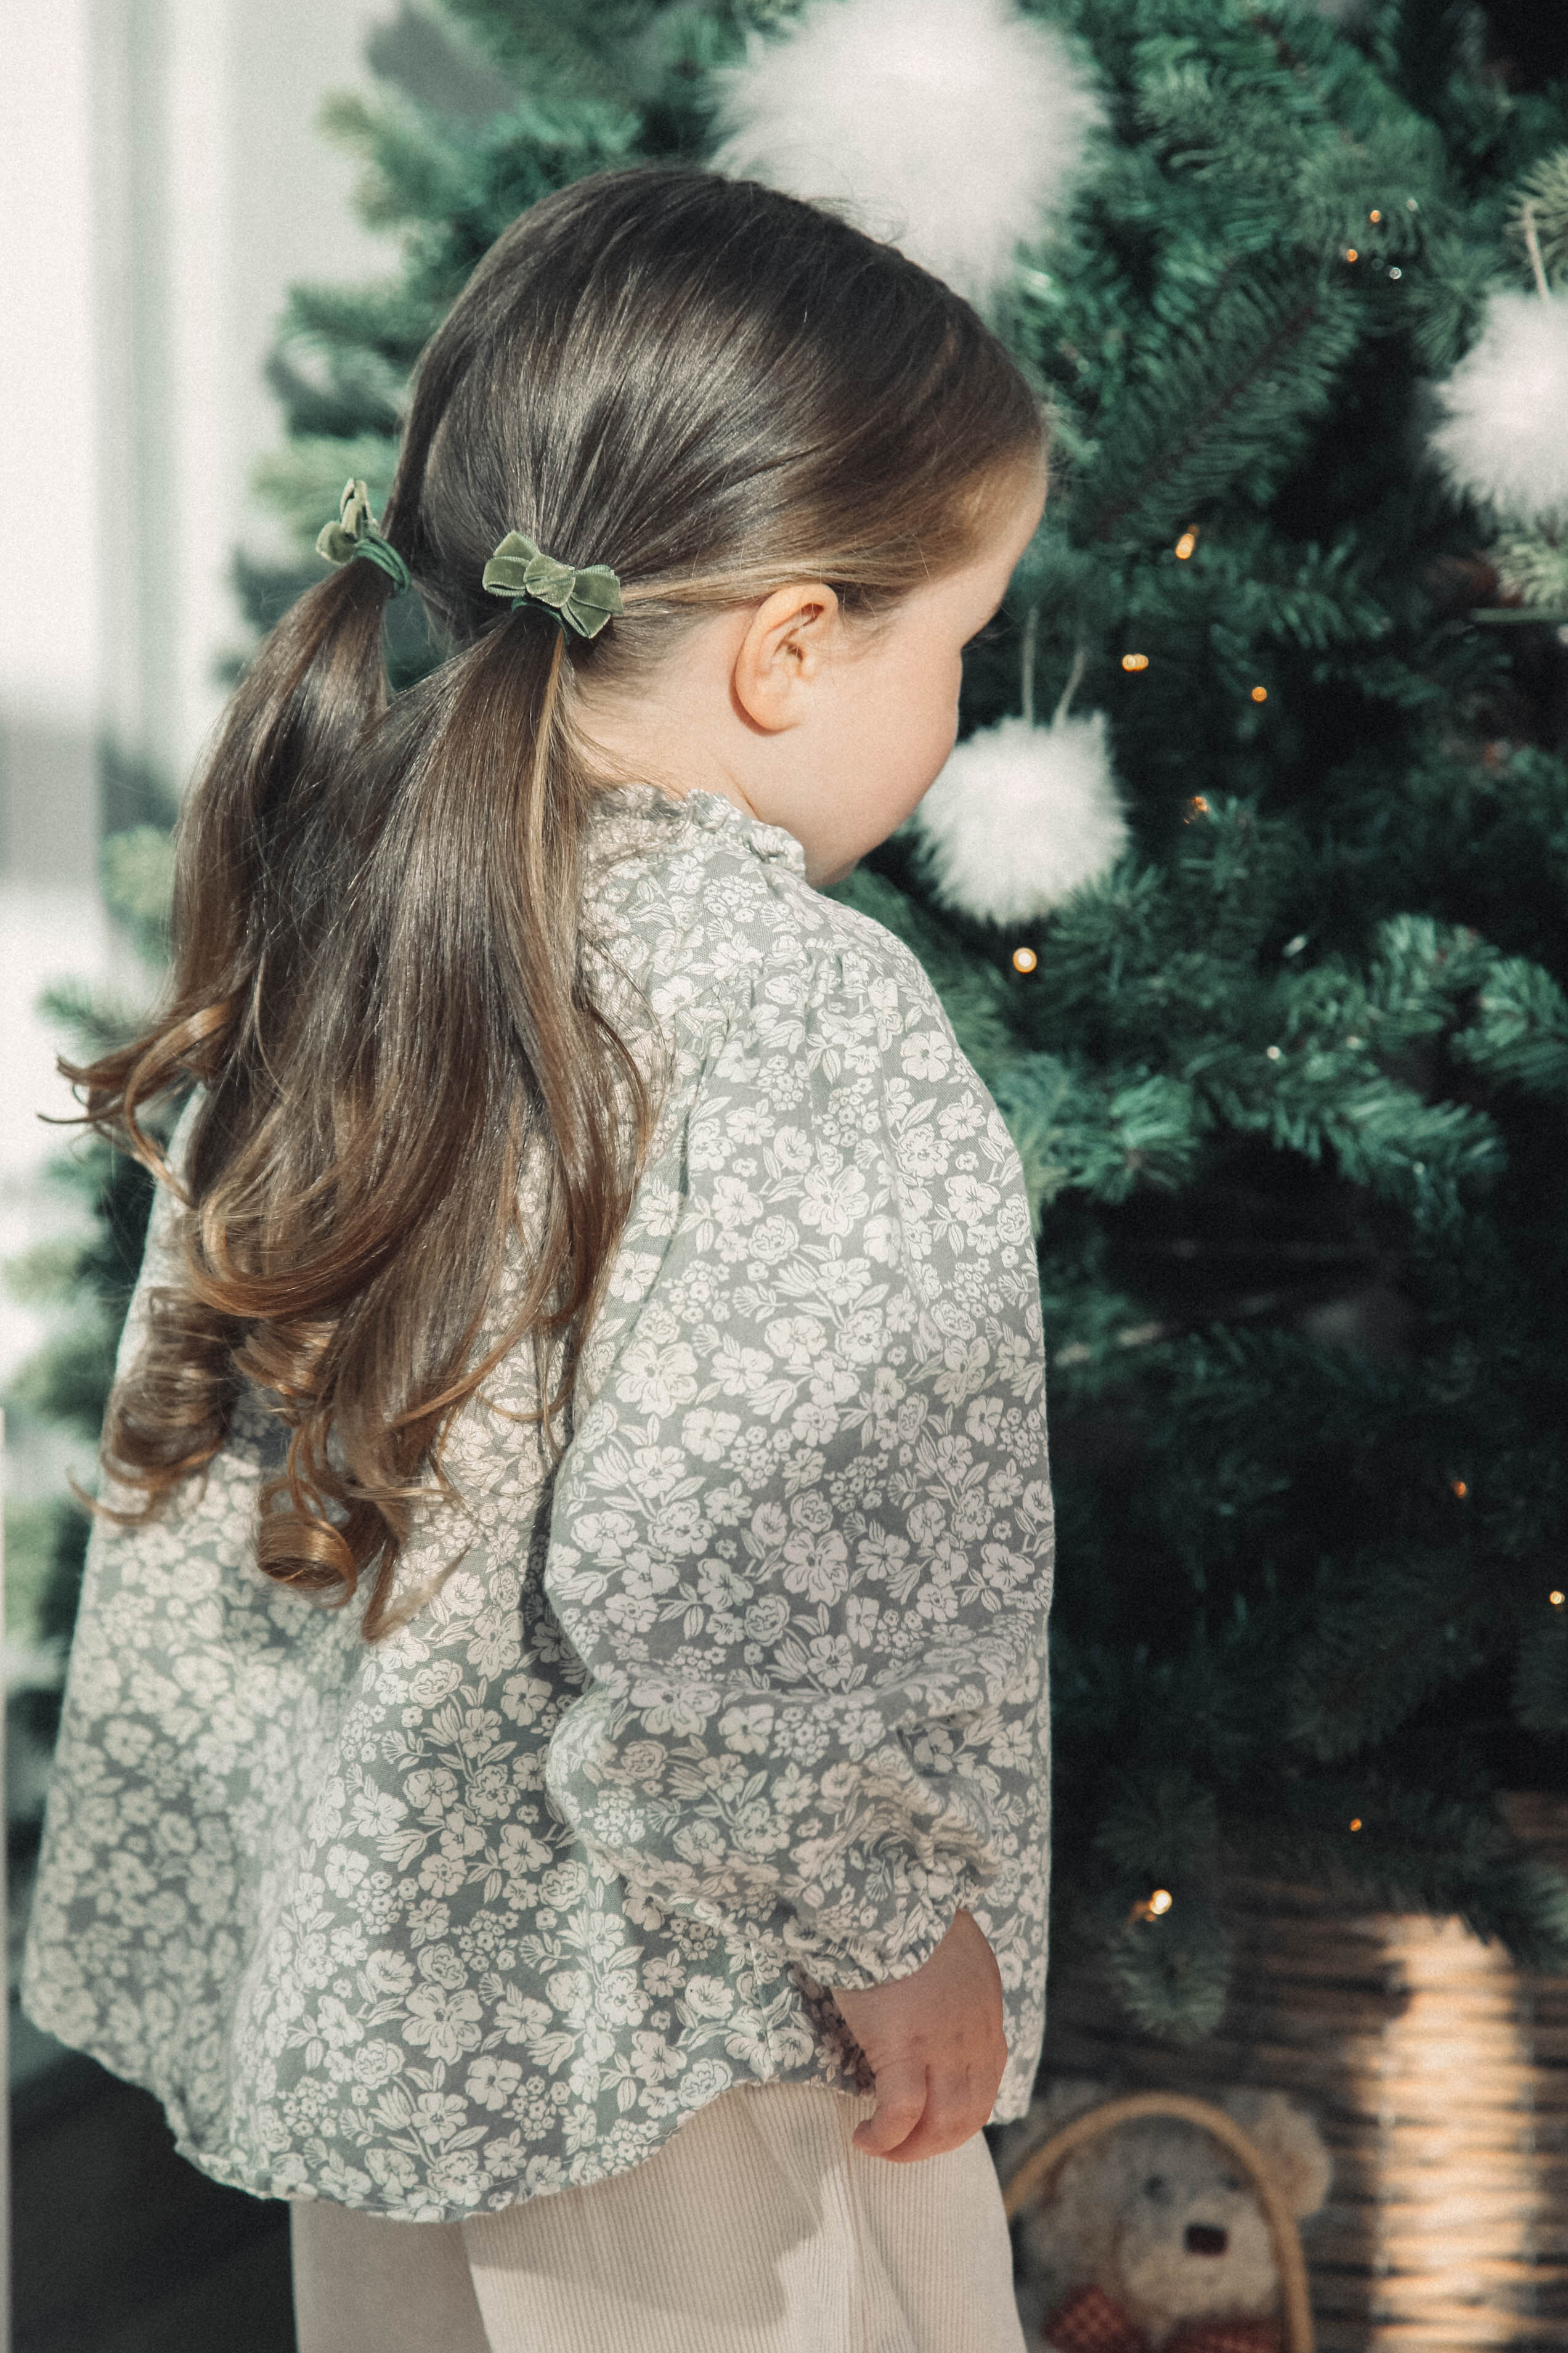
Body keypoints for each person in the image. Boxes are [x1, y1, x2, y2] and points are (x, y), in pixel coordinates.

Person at [23, 166, 1054, 2353]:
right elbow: (721, 1572)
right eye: (959, 643)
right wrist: (887, 1921)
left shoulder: (366, 928)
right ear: (792, 645)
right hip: (698, 2038)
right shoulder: (791, 1015)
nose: (955, 705)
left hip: (399, 2029)